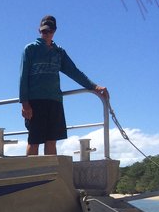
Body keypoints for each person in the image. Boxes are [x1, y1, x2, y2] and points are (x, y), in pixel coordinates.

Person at [19, 15, 108, 155]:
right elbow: (23, 77)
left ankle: (51, 175)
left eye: (49, 31)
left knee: (51, 140)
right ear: (39, 31)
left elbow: (73, 71)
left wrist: (94, 86)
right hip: (35, 102)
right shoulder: (30, 49)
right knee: (34, 140)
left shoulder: (59, 52)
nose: (46, 34)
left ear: (54, 31)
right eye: (43, 31)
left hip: (55, 100)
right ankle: (32, 176)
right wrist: (24, 103)